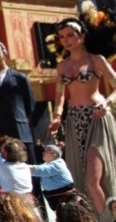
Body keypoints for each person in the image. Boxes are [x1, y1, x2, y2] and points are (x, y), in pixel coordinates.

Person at [47, 14, 116, 221]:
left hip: (97, 117)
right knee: (82, 181)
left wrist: (107, 102)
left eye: (70, 35)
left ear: (82, 36)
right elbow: (60, 95)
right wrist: (57, 116)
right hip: (74, 121)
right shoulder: (62, 67)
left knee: (93, 178)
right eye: (62, 37)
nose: (66, 40)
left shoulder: (97, 61)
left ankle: (106, 218)